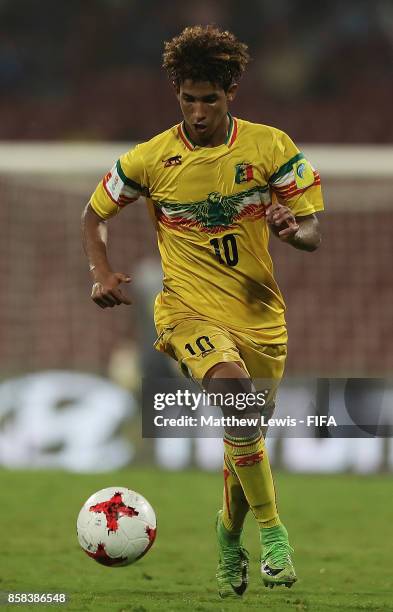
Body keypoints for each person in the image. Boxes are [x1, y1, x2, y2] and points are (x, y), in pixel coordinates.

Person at [82, 25, 323, 598]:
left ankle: (225, 534)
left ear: (230, 92)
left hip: (260, 316)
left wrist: (293, 230)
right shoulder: (150, 158)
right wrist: (102, 275)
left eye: (208, 99)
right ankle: (274, 534)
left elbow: (312, 229)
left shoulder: (270, 146)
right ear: (176, 94)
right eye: (187, 98)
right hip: (185, 313)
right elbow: (92, 217)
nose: (197, 111)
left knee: (245, 437)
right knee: (236, 403)